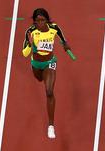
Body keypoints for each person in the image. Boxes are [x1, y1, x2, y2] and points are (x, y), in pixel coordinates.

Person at [21, 8, 71, 139]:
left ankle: (51, 126)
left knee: (49, 92)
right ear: (34, 22)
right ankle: (43, 76)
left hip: (50, 62)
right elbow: (24, 53)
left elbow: (63, 40)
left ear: (47, 20)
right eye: (37, 21)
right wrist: (31, 46)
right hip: (36, 64)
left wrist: (66, 45)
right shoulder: (30, 32)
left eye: (43, 20)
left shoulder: (54, 28)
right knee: (38, 79)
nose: (40, 23)